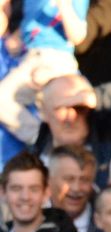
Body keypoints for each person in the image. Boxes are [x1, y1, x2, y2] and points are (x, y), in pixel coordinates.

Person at [0, 0, 88, 145]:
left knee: (63, 106)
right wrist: (17, 37)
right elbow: (30, 26)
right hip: (29, 58)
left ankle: (71, 146)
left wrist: (63, 5)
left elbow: (77, 36)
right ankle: (44, 141)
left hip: (58, 58)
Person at [48, 145, 98, 232]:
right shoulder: (33, 220)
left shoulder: (106, 225)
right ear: (49, 180)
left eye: (84, 180)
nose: (76, 188)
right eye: (69, 179)